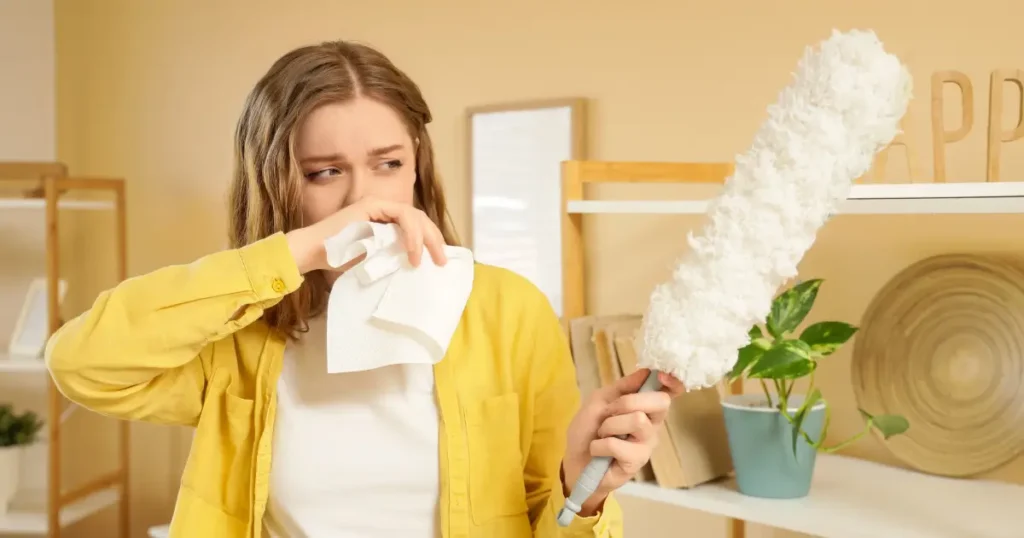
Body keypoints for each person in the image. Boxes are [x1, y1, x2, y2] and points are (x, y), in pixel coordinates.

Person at [44, 40, 684, 538]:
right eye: (324, 173)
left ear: (417, 168)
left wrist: (587, 488)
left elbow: (555, 514)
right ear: (275, 185)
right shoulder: (238, 334)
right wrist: (297, 251)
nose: (364, 200)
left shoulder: (506, 310)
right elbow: (83, 364)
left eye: (388, 164)